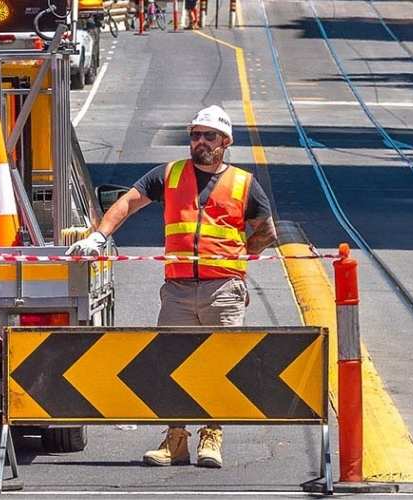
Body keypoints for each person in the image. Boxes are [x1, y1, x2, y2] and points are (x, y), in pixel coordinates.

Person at [67, 105, 277, 468]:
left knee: (218, 365)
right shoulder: (169, 174)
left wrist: (236, 264)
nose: (199, 142)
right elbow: (129, 201)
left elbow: (266, 232)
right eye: (195, 135)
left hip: (223, 290)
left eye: (208, 136)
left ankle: (211, 437)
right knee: (173, 365)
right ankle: (175, 441)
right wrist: (98, 237)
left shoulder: (244, 183)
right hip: (178, 289)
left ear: (225, 142)